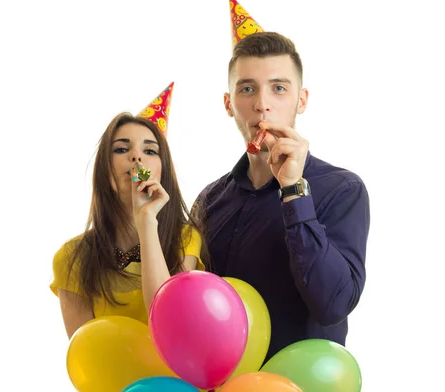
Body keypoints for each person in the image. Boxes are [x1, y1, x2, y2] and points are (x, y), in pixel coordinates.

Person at [192, 30, 371, 363]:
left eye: (278, 88)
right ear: (229, 104)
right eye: (247, 89)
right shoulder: (209, 200)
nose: (262, 104)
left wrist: (293, 190)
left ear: (301, 100)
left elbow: (332, 305)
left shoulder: (342, 190)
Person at [50, 83, 207, 339]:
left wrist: (146, 220)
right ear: (105, 169)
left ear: (161, 171)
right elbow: (87, 359)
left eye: (149, 151)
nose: (136, 157)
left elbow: (170, 323)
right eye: (122, 149)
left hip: (175, 379)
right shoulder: (71, 259)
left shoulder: (185, 239)